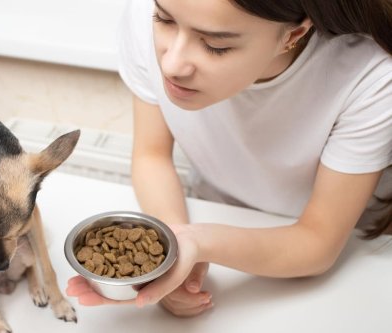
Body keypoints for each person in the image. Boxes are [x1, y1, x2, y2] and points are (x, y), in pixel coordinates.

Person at [67, 0, 392, 317]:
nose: (172, 64)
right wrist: (174, 253)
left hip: (345, 268)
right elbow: (152, 157)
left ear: (292, 36)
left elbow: (318, 241)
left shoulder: (372, 76)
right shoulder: (150, 10)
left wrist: (199, 243)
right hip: (212, 210)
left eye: (215, 46)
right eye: (165, 20)